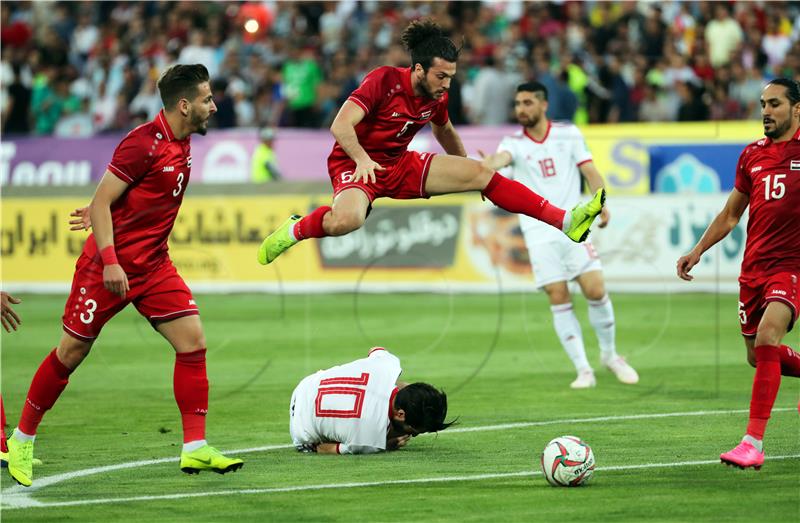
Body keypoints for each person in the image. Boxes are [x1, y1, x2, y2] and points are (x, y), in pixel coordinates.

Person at [6, 64, 243, 488]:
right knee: (71, 352)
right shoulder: (143, 143)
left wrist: (116, 214)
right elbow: (101, 203)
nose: (214, 105)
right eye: (207, 99)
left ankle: (194, 448)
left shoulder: (184, 141)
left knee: (193, 342)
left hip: (154, 266)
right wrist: (112, 259)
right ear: (184, 105)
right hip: (106, 269)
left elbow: (119, 202)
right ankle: (21, 440)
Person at [257, 19, 605, 266]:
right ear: (419, 69)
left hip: (399, 164)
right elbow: (340, 125)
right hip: (354, 164)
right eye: (441, 76)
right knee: (346, 221)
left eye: (451, 77)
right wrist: (362, 160)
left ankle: (565, 221)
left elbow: (445, 132)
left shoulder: (436, 96)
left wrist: (470, 170)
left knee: (483, 173)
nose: (447, 85)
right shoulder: (383, 80)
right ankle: (296, 228)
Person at [481, 82, 639, 389]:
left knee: (595, 289)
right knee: (558, 295)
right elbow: (500, 160)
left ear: (543, 105)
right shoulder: (513, 141)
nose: (521, 109)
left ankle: (610, 355)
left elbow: (590, 170)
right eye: (517, 104)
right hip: (538, 232)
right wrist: (487, 164)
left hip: (573, 225)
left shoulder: (568, 133)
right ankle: (583, 369)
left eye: (527, 103)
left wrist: (601, 201)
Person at [677, 78, 800, 470]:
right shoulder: (752, 155)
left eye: (775, 104)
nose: (765, 111)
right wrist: (697, 250)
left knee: (768, 337)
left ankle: (753, 442)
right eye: (763, 104)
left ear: (797, 109)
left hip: (791, 266)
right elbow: (732, 214)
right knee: (756, 355)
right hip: (753, 270)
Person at [290, 347, 452, 454]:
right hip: (300, 428)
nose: (413, 436)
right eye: (414, 430)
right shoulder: (369, 441)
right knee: (321, 443)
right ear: (401, 414)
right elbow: (325, 449)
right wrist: (385, 445)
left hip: (307, 384)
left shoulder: (389, 364)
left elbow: (375, 349)